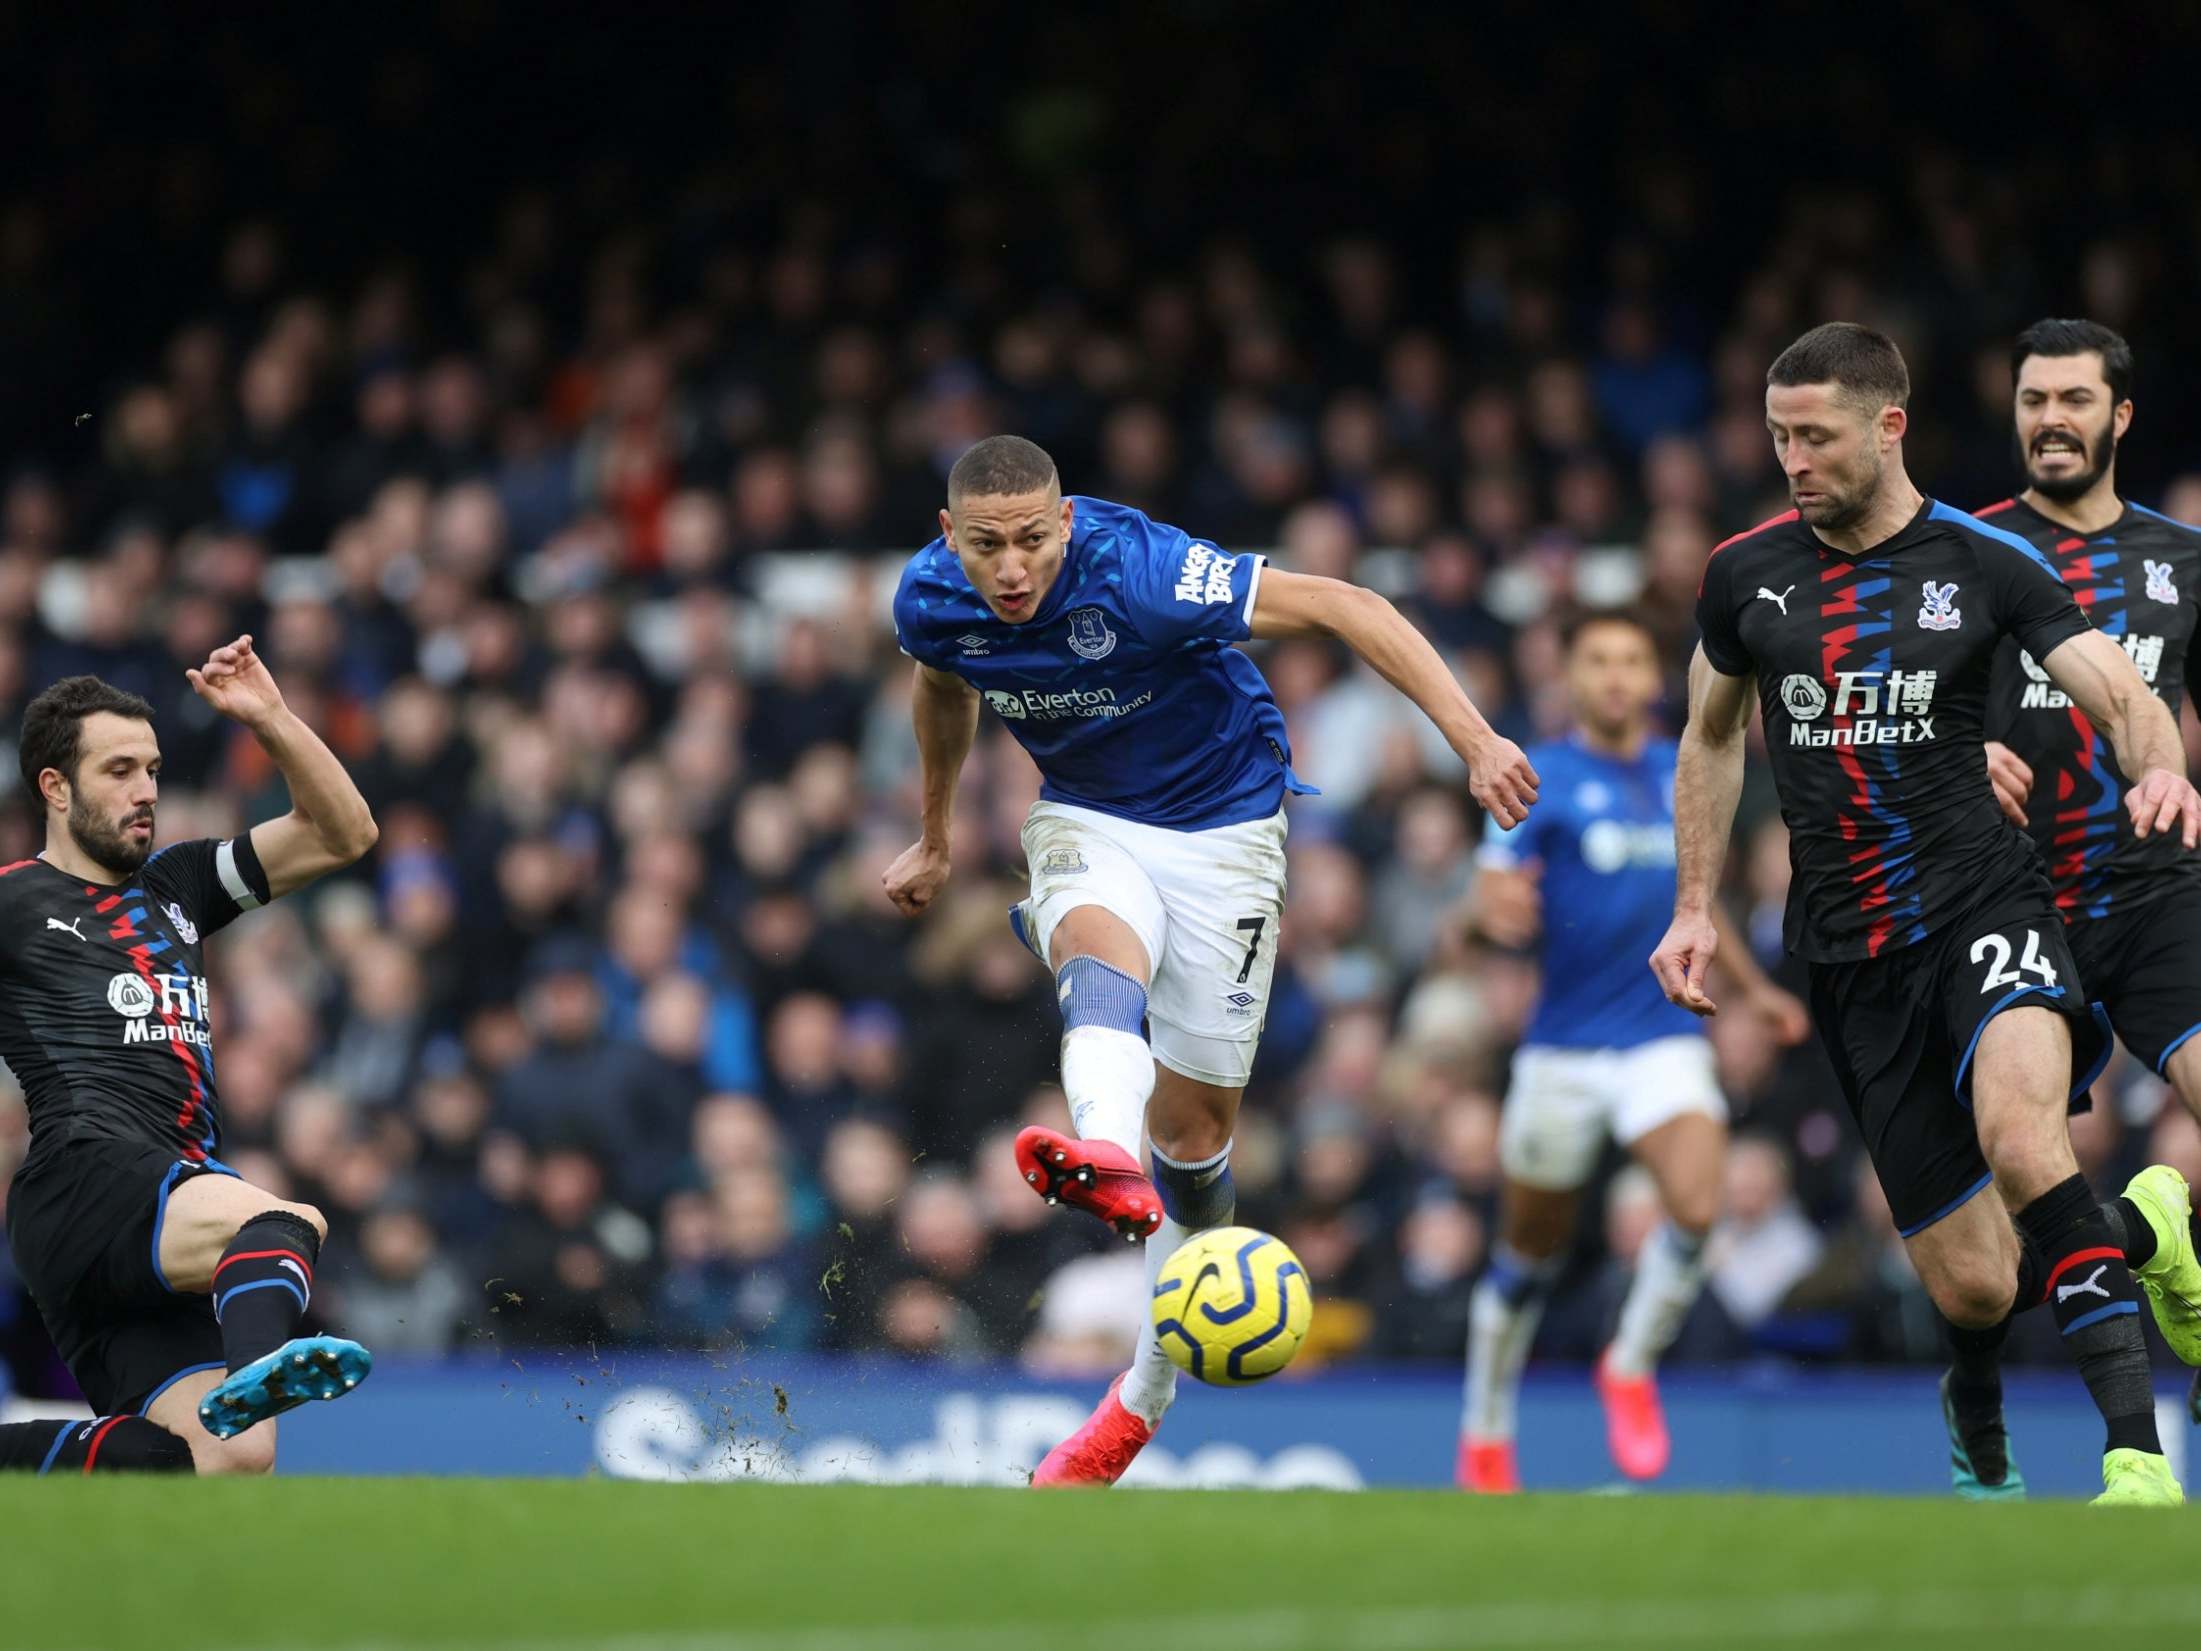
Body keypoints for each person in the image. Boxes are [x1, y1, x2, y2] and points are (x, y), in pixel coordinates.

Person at [884, 434, 1536, 1485]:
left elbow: (1346, 606)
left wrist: (1475, 740)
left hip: (1226, 828)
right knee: (1095, 955)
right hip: (1086, 816)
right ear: (947, 536)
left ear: (1066, 524)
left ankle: (1141, 1393)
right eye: (987, 546)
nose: (1011, 570)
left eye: (1033, 543)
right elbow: (943, 685)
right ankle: (1104, 1152)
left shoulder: (1138, 571)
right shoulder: (928, 599)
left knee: (1194, 1140)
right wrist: (936, 832)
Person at [1651, 322, 2201, 1507]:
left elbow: (2118, 686)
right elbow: (1705, 741)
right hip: (1848, 953)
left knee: (2022, 1138)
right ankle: (1983, 1412)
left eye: (1815, 436)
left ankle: (2134, 1458)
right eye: (1777, 435)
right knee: (1974, 1286)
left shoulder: (1982, 560)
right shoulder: (1743, 574)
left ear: (1885, 426)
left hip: (1985, 905)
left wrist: (2151, 762)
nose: (1791, 458)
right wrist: (1692, 904)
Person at [0, 640, 379, 1475]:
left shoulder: (176, 886)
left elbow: (345, 834)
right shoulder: (15, 899)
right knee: (281, 1221)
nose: (145, 791)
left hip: (160, 1198)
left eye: (154, 769)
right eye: (119, 769)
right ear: (54, 788)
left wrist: (270, 720)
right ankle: (257, 1367)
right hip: (84, 1176)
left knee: (222, 1459)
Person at [1458, 610, 1807, 1493]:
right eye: (1597, 660)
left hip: (1658, 1036)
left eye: (1630, 659)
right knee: (1523, 1258)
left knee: (1696, 1205)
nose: (1615, 676)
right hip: (1560, 1052)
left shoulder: (1681, 766)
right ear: (1570, 678)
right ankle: (1486, 1428)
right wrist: (1489, 907)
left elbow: (1697, 895)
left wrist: (1759, 994)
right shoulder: (1539, 776)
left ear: (1653, 675)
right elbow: (1491, 880)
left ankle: (1629, 1362)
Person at [1974, 318, 2201, 1440]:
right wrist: (1958, 748)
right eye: (2031, 400)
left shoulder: (2181, 562)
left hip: (2151, 891)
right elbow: (1883, 720)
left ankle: (2134, 1460)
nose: (2048, 419)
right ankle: (2148, 1238)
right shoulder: (1959, 553)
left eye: (2070, 399)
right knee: (1990, 1268)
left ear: (2116, 416)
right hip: (2007, 909)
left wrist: (2176, 778)